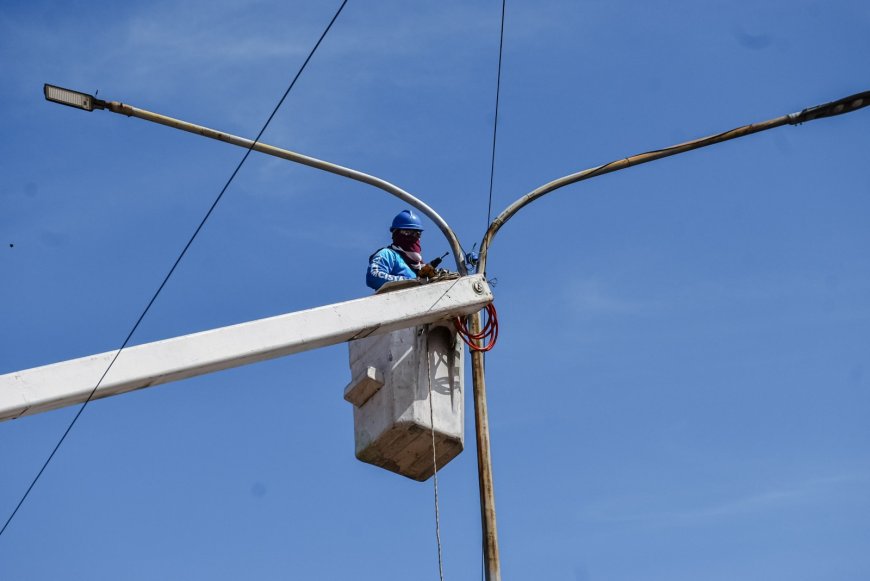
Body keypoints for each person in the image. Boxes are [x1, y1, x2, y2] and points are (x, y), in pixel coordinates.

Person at [366, 210, 436, 291]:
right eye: (407, 232)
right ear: (396, 233)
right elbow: (374, 276)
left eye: (417, 233)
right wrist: (412, 281)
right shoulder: (387, 254)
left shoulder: (421, 266)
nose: (413, 236)